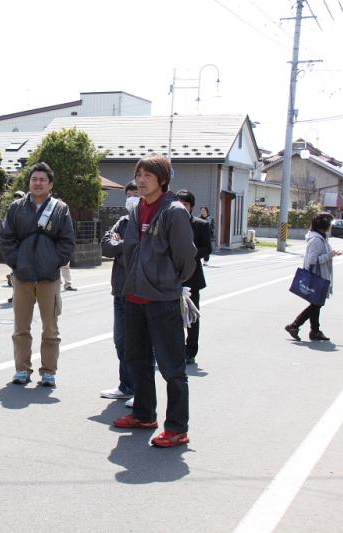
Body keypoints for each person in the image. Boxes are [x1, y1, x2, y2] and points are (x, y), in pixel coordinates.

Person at [112, 154, 196, 449]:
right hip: (134, 295)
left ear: (163, 179)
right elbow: (130, 249)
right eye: (139, 174)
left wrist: (168, 282)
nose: (141, 180)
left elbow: (186, 258)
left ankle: (177, 428)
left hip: (162, 299)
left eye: (148, 175)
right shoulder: (137, 208)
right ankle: (144, 414)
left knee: (172, 367)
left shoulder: (174, 211)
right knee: (137, 359)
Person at [0, 162, 75, 387]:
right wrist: (16, 262)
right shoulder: (16, 208)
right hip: (22, 276)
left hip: (49, 277)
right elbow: (6, 238)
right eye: (34, 179)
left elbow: (67, 241)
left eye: (42, 180)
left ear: (50, 184)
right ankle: (21, 369)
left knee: (50, 328)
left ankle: (49, 371)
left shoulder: (60, 208)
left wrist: (53, 262)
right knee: (21, 328)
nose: (37, 183)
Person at [99, 180, 139, 400]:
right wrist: (125, 244)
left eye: (137, 195)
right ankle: (126, 386)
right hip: (120, 290)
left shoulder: (149, 221)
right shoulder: (122, 222)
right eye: (129, 195)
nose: (132, 199)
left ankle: (140, 391)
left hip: (140, 291)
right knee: (121, 341)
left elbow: (141, 250)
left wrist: (123, 243)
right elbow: (106, 246)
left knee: (139, 344)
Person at [285, 212, 342, 342]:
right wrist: (331, 254)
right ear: (325, 225)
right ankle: (294, 325)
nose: (331, 226)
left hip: (319, 275)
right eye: (330, 224)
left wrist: (331, 254)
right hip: (317, 276)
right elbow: (312, 260)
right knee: (316, 304)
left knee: (316, 304)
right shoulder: (316, 240)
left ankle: (315, 331)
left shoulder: (321, 237)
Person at [177, 190, 212, 365]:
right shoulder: (169, 222)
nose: (182, 207)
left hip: (192, 276)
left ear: (191, 207)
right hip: (171, 276)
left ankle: (190, 350)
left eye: (185, 204)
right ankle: (174, 348)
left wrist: (190, 254)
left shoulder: (200, 225)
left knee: (192, 314)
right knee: (171, 314)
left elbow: (207, 248)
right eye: (179, 204)